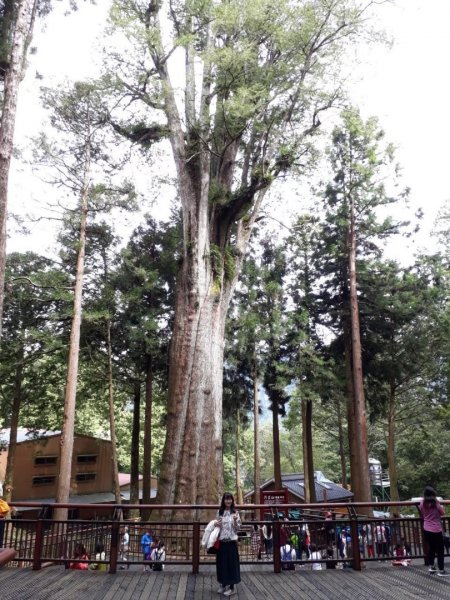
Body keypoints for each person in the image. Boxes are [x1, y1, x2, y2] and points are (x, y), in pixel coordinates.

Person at [215, 492, 241, 597]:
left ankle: (231, 587)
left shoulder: (235, 512)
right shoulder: (219, 512)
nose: (228, 501)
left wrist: (235, 521)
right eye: (226, 499)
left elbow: (238, 528)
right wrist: (215, 524)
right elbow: (215, 526)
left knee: (231, 565)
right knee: (222, 564)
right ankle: (223, 584)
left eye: (230, 499)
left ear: (232, 500)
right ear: (223, 500)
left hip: (231, 542)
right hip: (221, 542)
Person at [419, 485, 447, 576]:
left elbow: (422, 512)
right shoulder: (436, 503)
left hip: (426, 529)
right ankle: (441, 570)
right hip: (436, 530)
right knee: (440, 550)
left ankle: (431, 567)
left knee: (431, 548)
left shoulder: (422, 503)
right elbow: (442, 513)